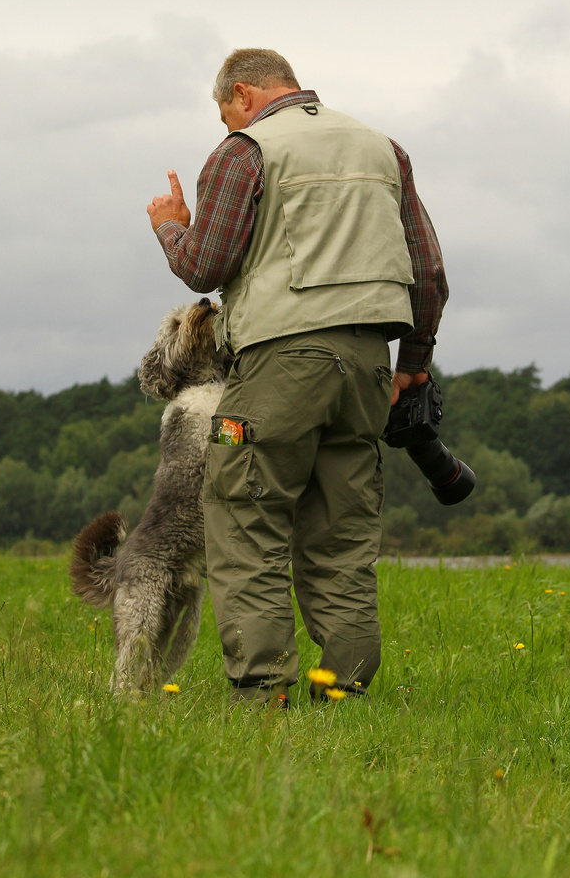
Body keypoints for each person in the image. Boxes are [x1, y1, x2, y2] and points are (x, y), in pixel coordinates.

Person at [147, 48, 448, 706]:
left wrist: (171, 228)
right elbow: (427, 273)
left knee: (241, 512)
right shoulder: (382, 149)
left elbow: (204, 267)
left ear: (244, 95)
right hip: (368, 367)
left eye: (223, 111)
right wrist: (413, 367)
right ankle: (342, 690)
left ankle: (263, 694)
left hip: (275, 368)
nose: (224, 124)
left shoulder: (243, 150)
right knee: (341, 532)